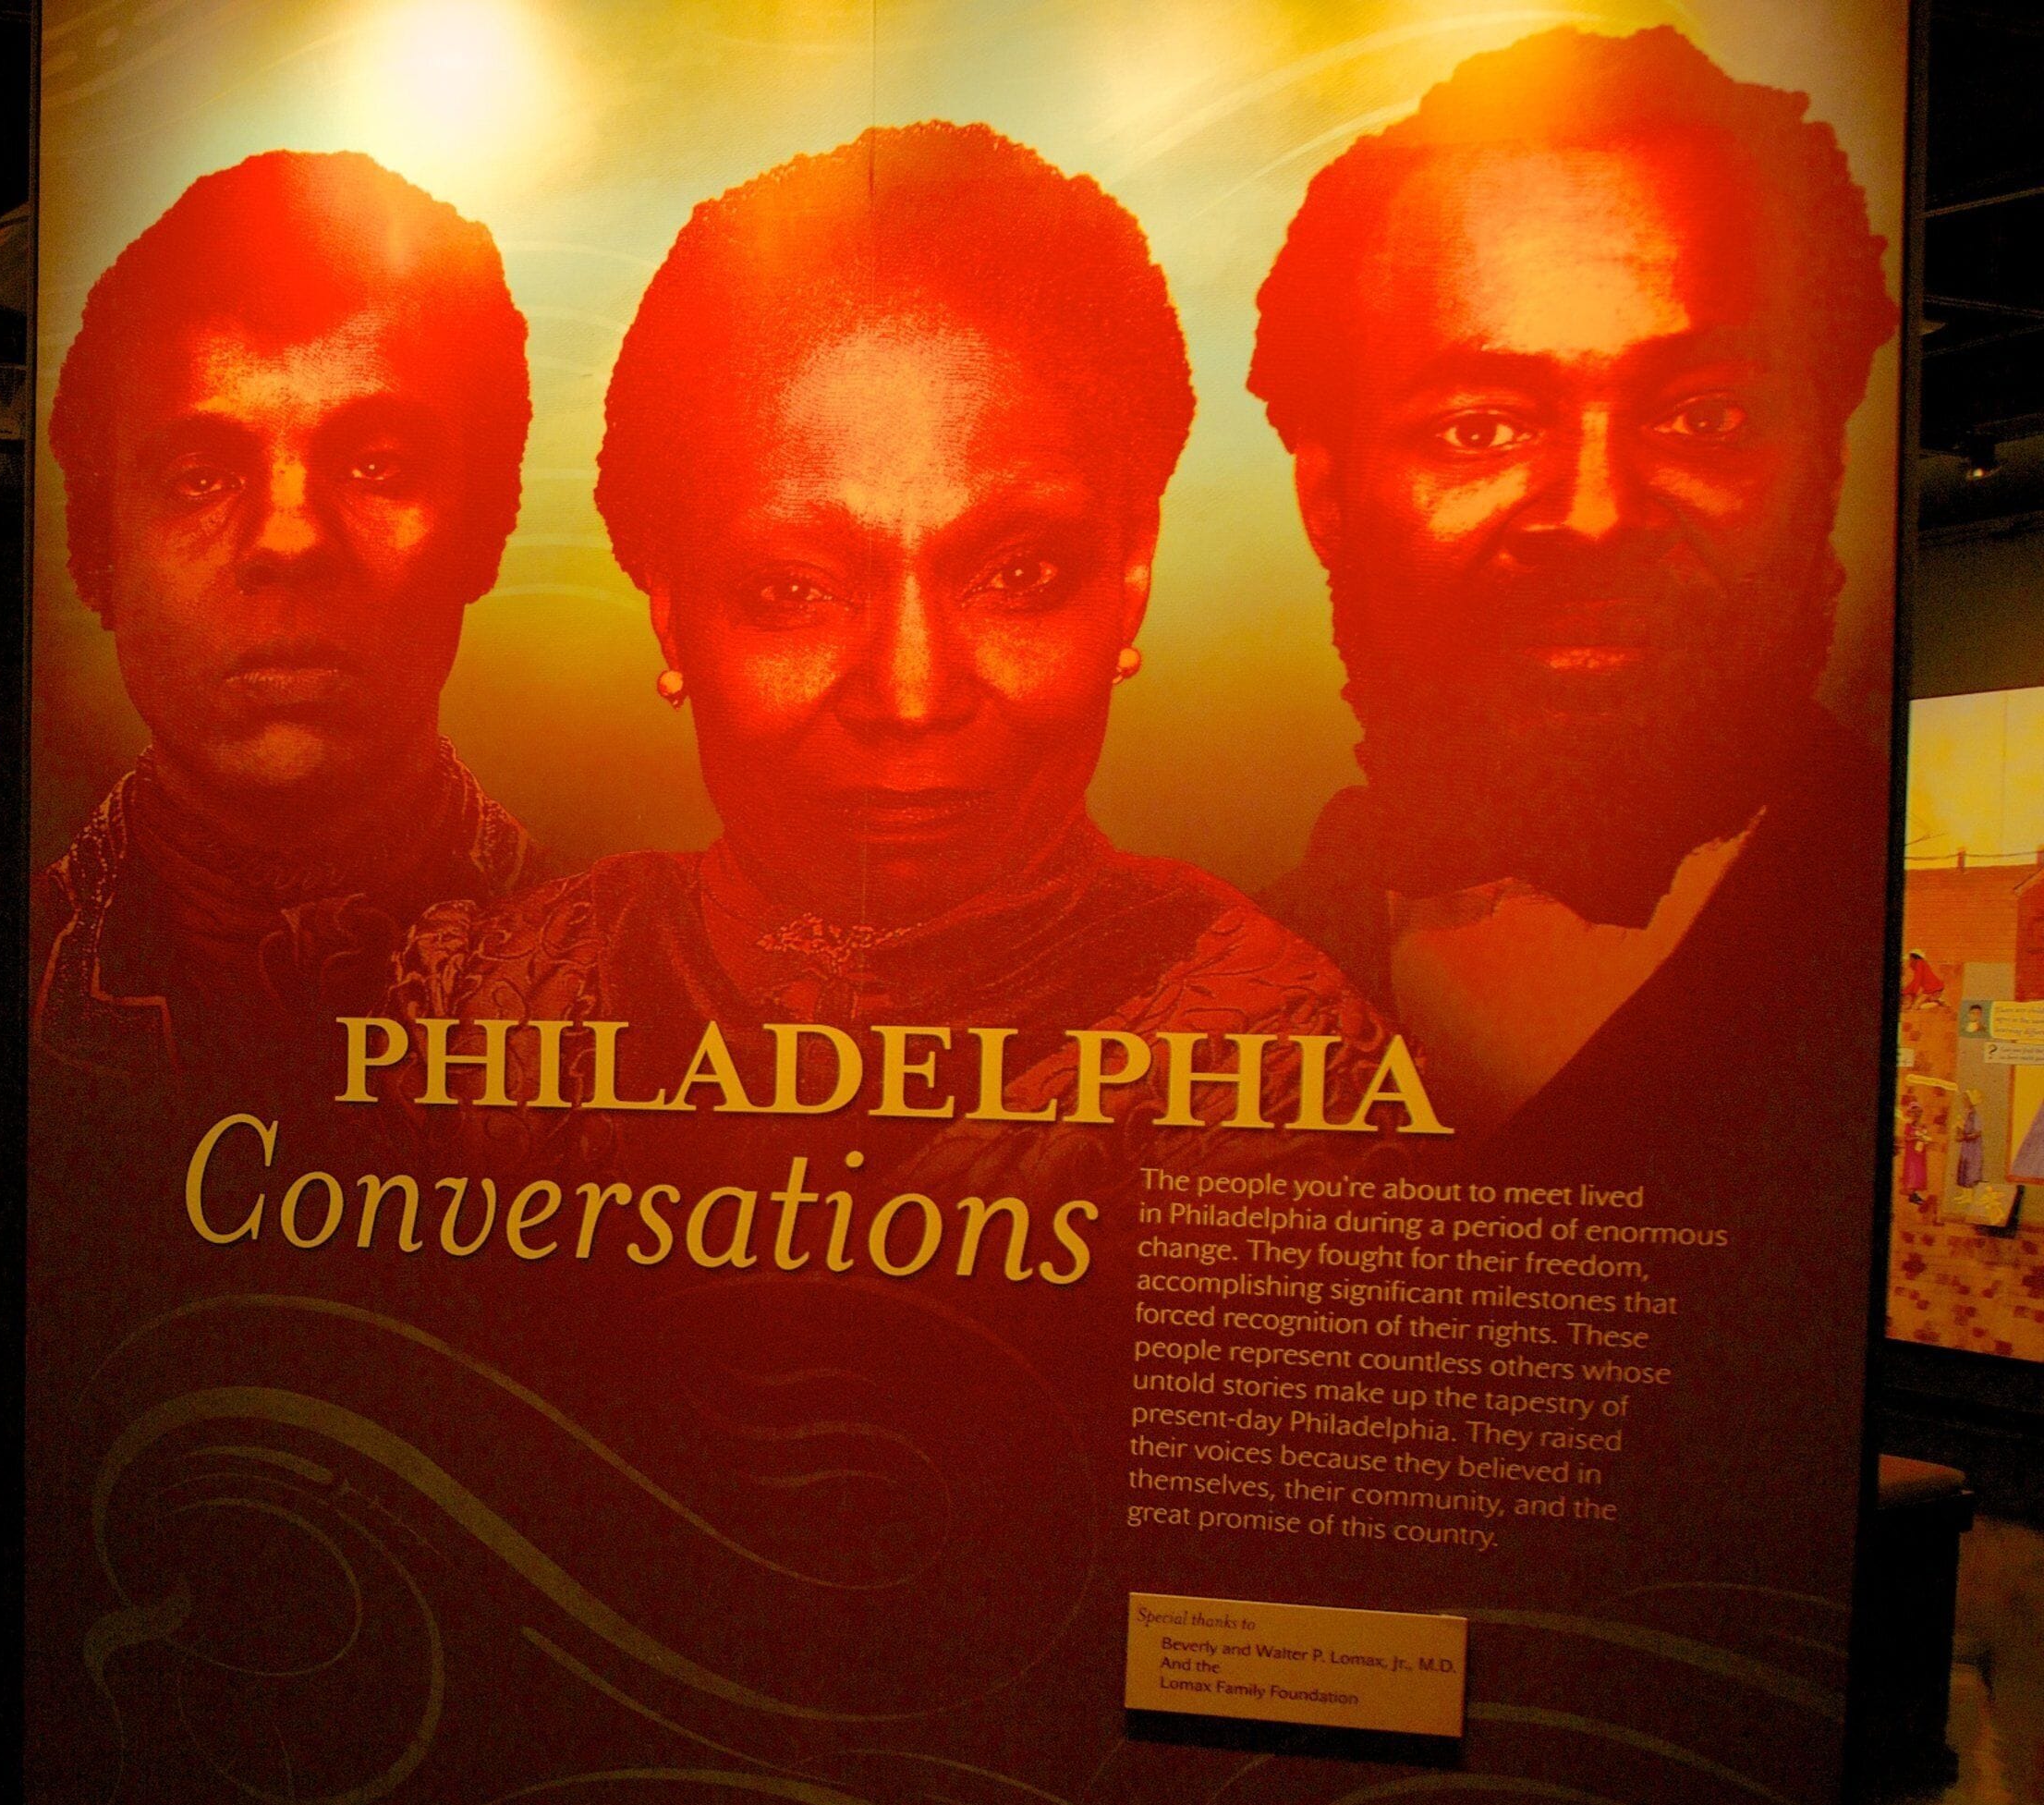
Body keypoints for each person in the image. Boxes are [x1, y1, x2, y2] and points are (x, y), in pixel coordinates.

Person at [393, 124, 1387, 1184]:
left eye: (1017, 576)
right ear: (671, 610)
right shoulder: (485, 1000)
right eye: (795, 590)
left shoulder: (1277, 1060)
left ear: (1130, 576)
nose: (911, 693)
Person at [1247, 25, 1898, 1143]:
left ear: (1827, 465)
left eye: (1706, 416)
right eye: (1482, 426)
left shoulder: (1907, 947)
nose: (1598, 515)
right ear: (1328, 501)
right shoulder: (1205, 984)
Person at [36, 149, 559, 1081]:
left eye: (376, 466)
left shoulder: (626, 969)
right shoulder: (22, 967)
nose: (288, 539)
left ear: (485, 530)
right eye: (201, 477)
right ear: (97, 560)